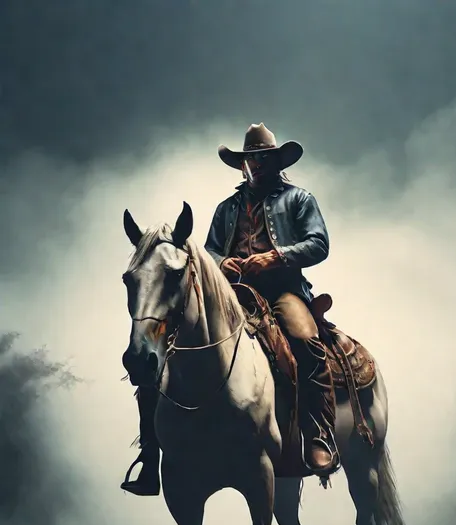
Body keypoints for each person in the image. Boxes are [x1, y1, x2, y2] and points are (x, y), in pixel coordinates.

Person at [121, 123, 339, 496]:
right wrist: (224, 265)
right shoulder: (227, 208)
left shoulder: (299, 200)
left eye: (262, 159)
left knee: (305, 340)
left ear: (275, 162)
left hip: (284, 292)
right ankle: (151, 452)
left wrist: (275, 257)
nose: (255, 165)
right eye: (250, 159)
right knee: (167, 352)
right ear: (242, 165)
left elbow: (318, 243)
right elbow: (211, 250)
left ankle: (319, 434)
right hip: (233, 294)